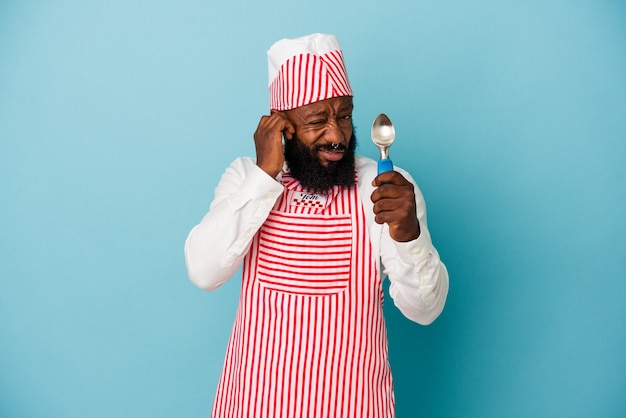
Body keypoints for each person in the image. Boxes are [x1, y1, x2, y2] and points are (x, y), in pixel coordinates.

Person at [184, 33, 449, 418]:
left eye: (344, 115)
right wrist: (264, 176)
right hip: (255, 406)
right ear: (281, 126)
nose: (338, 135)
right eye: (317, 121)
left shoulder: (384, 189)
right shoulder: (247, 178)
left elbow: (425, 310)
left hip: (354, 406)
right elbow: (204, 272)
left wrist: (408, 233)